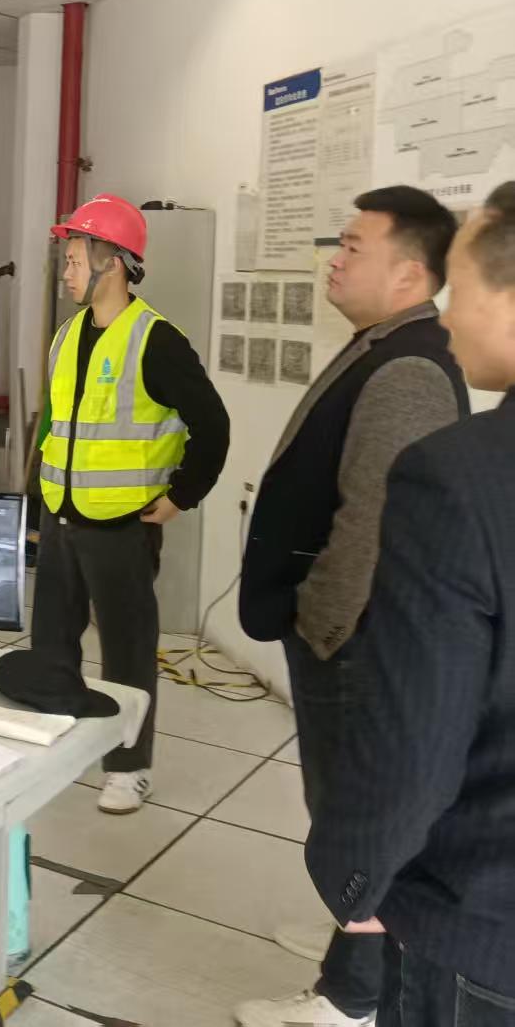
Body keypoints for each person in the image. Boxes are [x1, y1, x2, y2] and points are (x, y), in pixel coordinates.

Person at [235, 188, 467, 1027]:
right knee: (339, 811)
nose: (334, 259)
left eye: (352, 246)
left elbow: (371, 526)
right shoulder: (383, 344)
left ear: (408, 273)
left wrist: (320, 625)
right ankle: (354, 944)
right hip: (340, 635)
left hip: (353, 642)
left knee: (355, 817)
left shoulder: (408, 368)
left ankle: (352, 998)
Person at [304, 182, 515, 1026]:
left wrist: (354, 877)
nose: (449, 312)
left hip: (480, 925)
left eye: (462, 286)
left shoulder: (460, 475)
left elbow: (416, 740)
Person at [33, 194, 228, 813]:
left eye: (74, 260)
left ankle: (128, 766)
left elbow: (213, 426)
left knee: (126, 649)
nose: (66, 273)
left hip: (122, 524)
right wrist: (37, 502)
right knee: (51, 642)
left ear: (111, 262)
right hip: (60, 516)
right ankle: (55, 741)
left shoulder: (156, 340)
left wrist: (181, 497)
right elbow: (53, 426)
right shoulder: (66, 335)